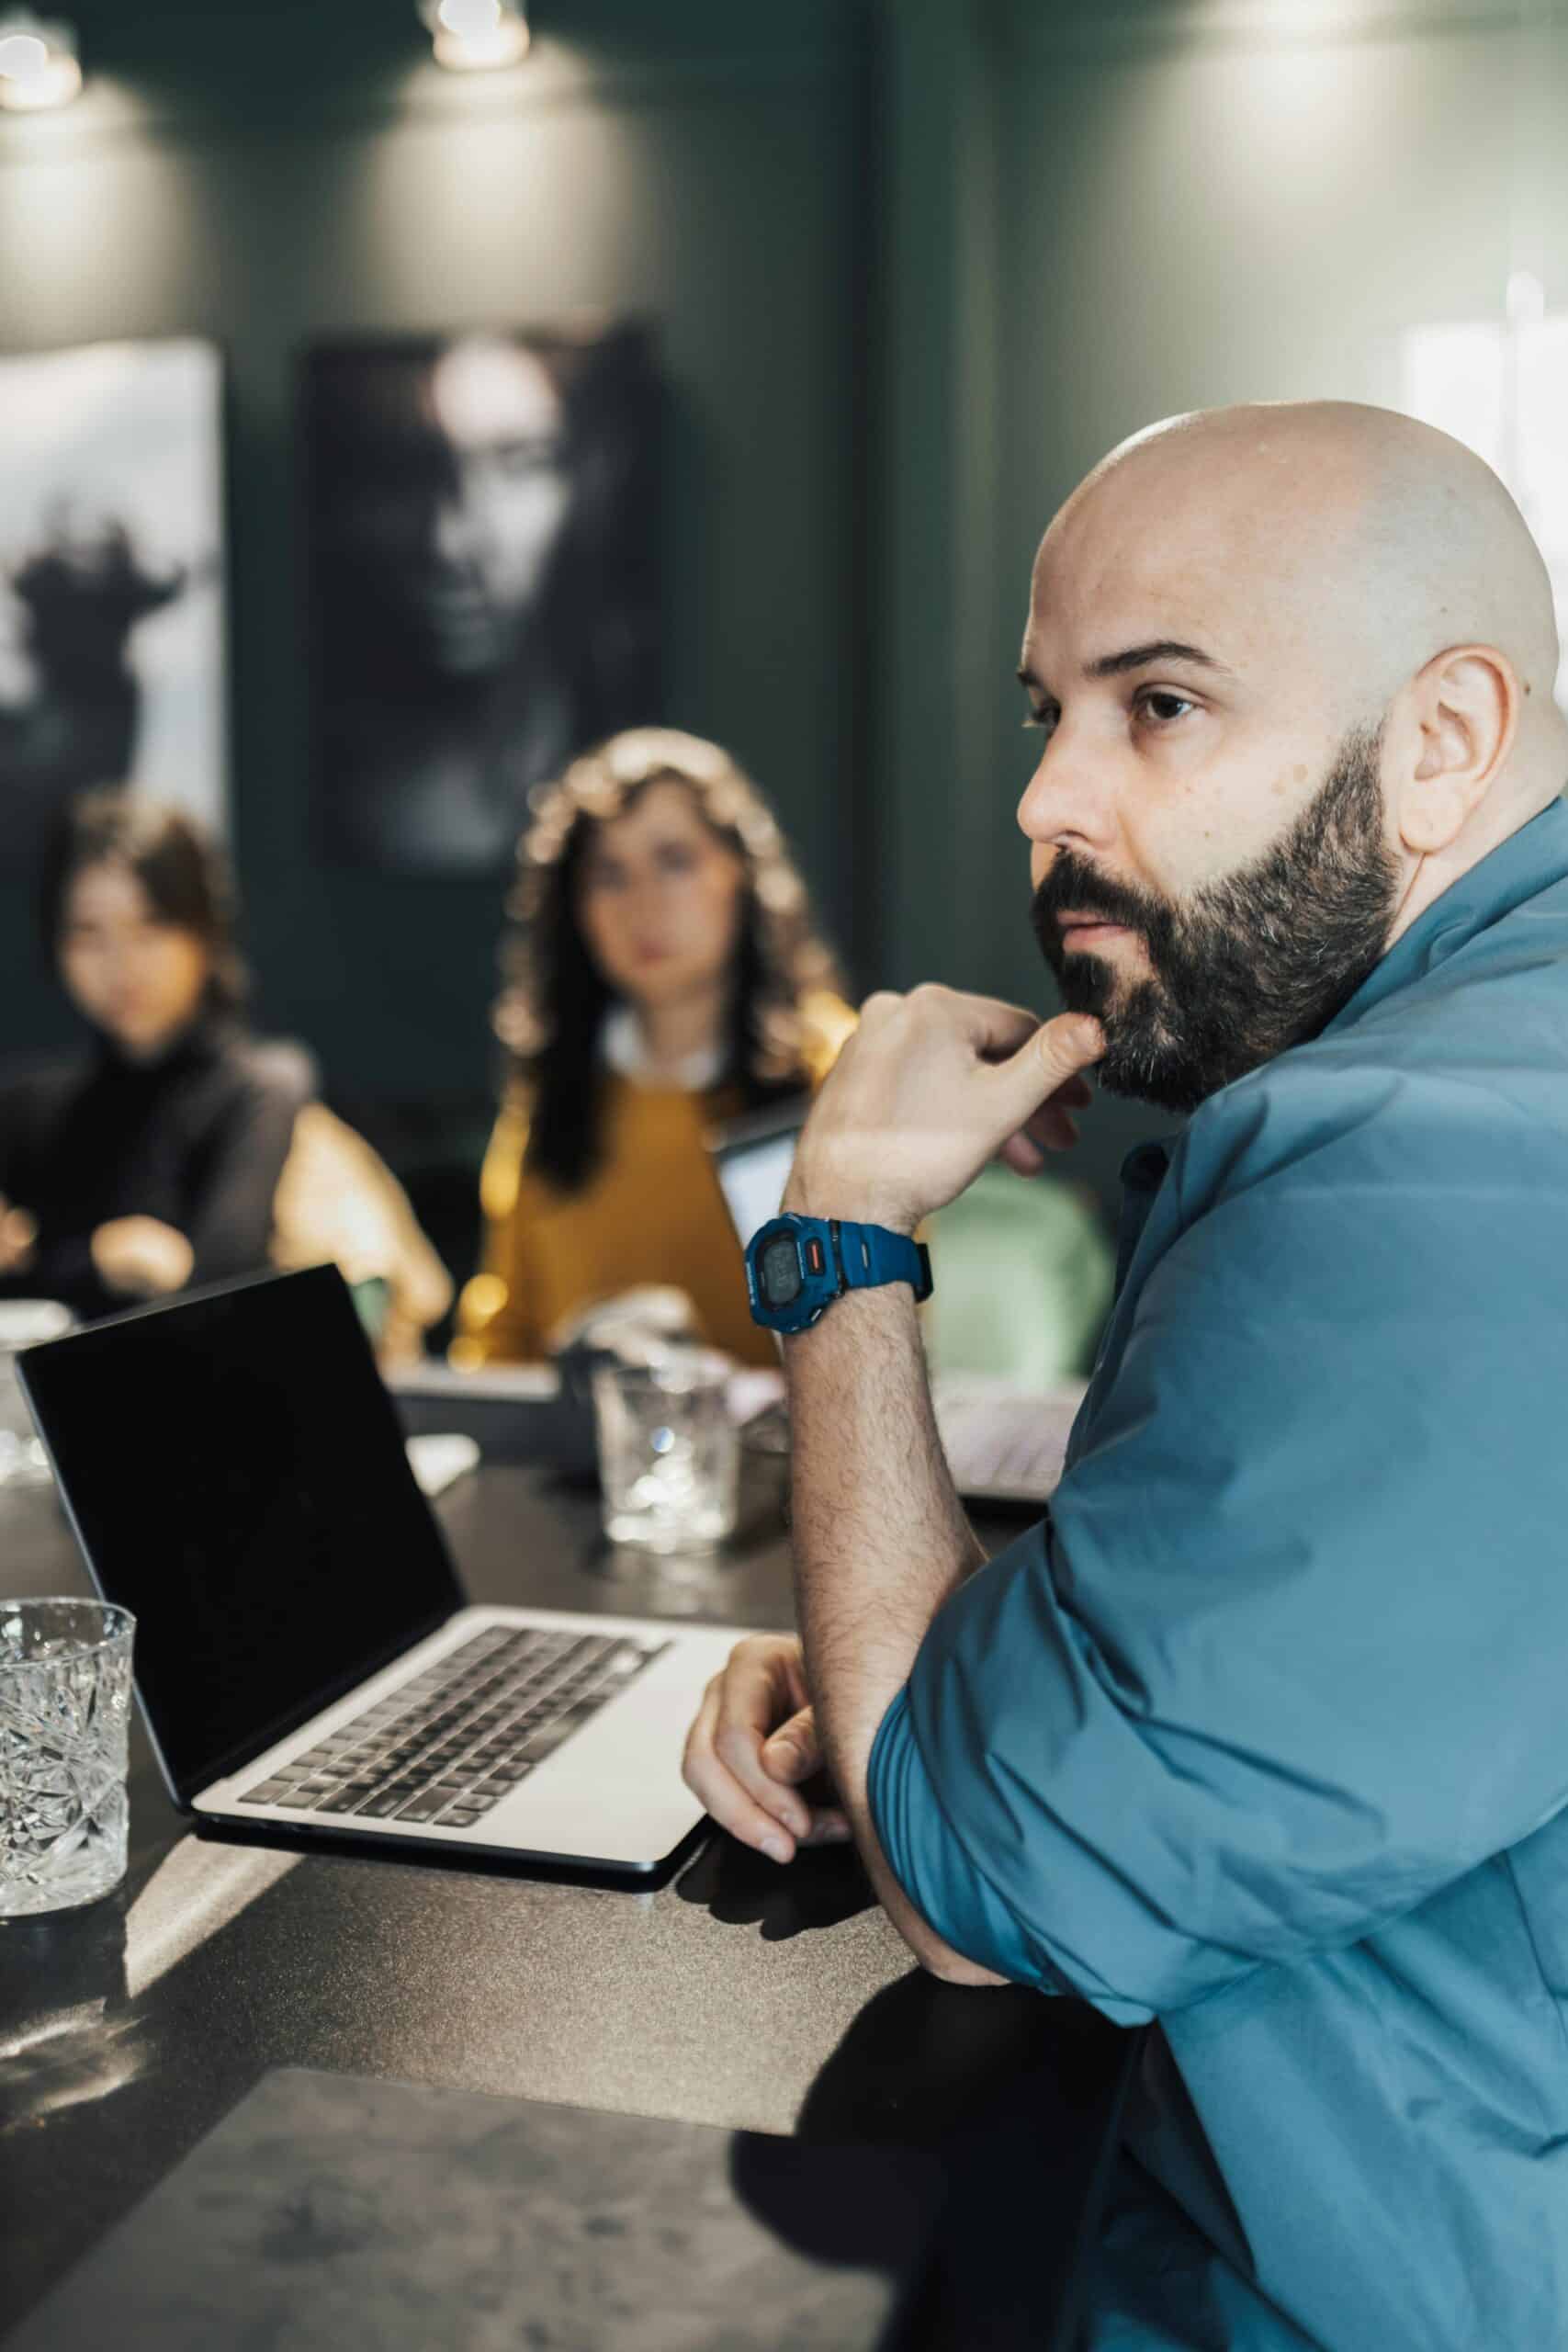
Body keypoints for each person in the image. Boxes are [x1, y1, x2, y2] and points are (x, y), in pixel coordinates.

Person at [682, 401, 1568, 2349]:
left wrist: (838, 1243)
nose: (1045, 797)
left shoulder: (1423, 1163)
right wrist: (952, 1652)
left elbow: (963, 1881)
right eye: (1045, 711)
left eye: (1158, 704)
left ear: (1442, 740)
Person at [452, 727, 853, 1373]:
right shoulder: (553, 1087)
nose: (643, 904)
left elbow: (874, 1337)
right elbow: (502, 1342)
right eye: (609, 874)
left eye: (674, 860)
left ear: (741, 873)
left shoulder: (838, 1071)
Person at [306, 327, 659, 873]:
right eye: (415, 470)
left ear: (597, 475)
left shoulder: (637, 757)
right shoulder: (371, 795)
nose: (451, 543)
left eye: (520, 463)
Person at [0, 791, 315, 1320]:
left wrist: (40, 1261)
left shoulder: (259, 1089)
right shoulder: (31, 1110)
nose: (120, 964)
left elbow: (217, 1296)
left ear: (204, 930)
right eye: (88, 932)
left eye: (150, 928)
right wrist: (103, 1257)